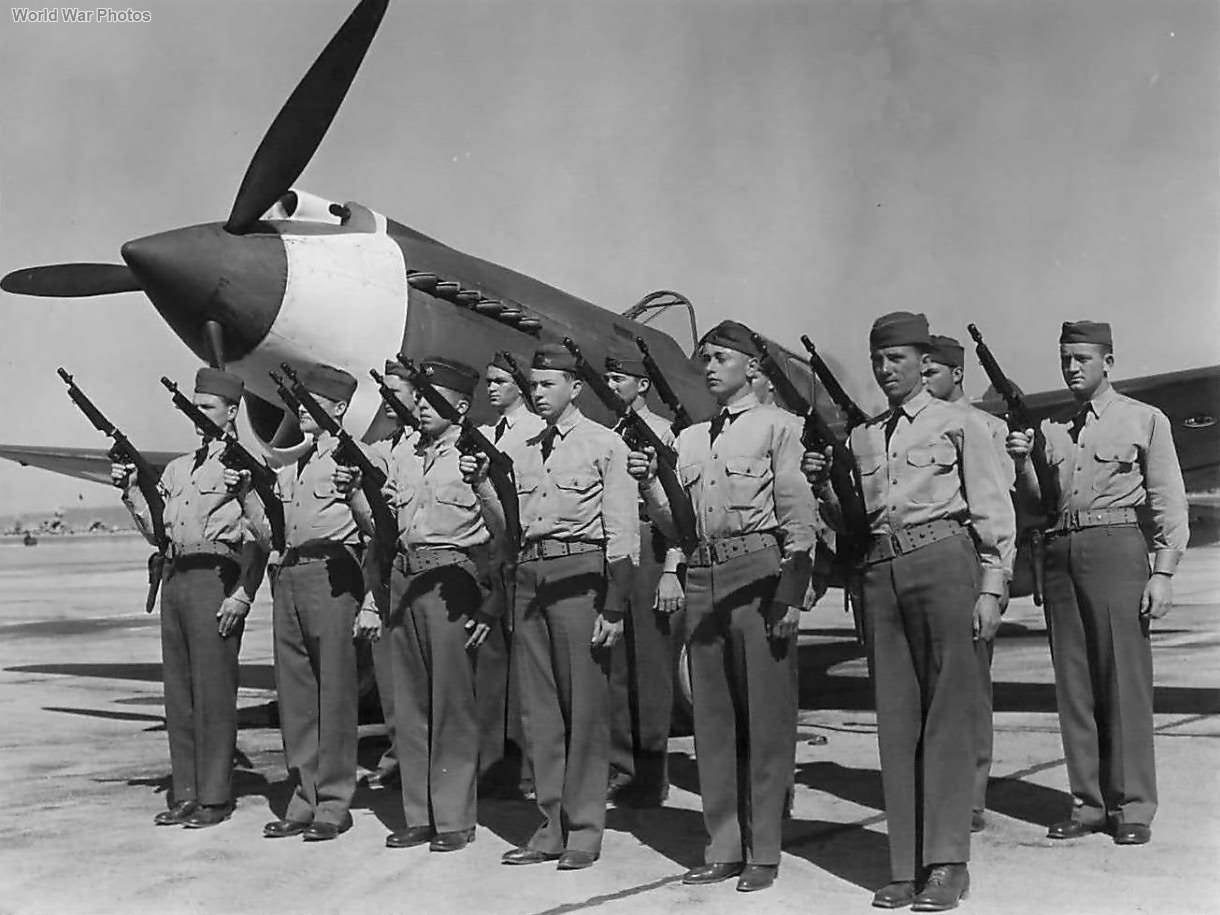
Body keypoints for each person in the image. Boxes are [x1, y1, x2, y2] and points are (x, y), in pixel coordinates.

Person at [803, 312, 1014, 910]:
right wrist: (823, 485)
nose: (884, 369)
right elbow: (851, 522)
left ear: (925, 363)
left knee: (947, 717)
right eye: (878, 359)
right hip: (879, 575)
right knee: (896, 721)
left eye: (895, 359)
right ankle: (905, 864)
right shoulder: (863, 438)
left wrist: (993, 586)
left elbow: (994, 509)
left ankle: (947, 864)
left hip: (944, 563)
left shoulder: (961, 425)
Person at [628, 320, 817, 893]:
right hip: (704, 574)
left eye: (718, 358)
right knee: (712, 718)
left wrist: (790, 591)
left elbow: (800, 521)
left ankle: (765, 848)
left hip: (759, 572)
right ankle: (724, 843)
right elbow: (676, 528)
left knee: (765, 714)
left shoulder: (782, 429)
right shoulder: (689, 441)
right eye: (703, 359)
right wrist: (649, 486)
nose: (707, 367)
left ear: (752, 367)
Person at [1006, 321, 1187, 846]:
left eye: (1083, 357)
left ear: (1108, 361)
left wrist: (1163, 573)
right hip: (1061, 551)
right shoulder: (1054, 429)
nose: (1072, 367)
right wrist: (1022, 461)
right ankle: (1087, 804)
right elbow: (1037, 503)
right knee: (1075, 685)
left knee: (1124, 683)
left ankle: (1132, 807)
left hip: (1117, 548)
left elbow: (1167, 500)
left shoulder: (1144, 419)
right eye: (1065, 358)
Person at [489, 342, 638, 871]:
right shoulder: (522, 448)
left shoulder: (604, 445)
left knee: (585, 710)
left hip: (581, 578)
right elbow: (507, 524)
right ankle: (550, 824)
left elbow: (621, 530)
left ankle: (585, 830)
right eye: (533, 384)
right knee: (540, 712)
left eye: (548, 384)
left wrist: (616, 606)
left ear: (575, 388)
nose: (538, 392)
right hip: (530, 577)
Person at [113, 368, 267, 829]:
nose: (198, 416)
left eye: (207, 408)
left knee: (214, 691)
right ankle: (186, 791)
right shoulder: (180, 469)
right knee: (179, 693)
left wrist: (244, 593)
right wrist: (132, 492)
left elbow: (262, 538)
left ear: (232, 411)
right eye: (194, 407)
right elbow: (157, 534)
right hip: (176, 579)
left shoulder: (244, 467)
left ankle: (215, 796)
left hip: (214, 579)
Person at [241, 364, 384, 842]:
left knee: (335, 693)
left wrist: (369, 597)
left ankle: (334, 802)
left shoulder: (356, 460)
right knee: (297, 696)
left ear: (340, 408)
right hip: (290, 576)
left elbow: (376, 531)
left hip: (334, 574)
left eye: (313, 400)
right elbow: (271, 533)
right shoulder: (291, 465)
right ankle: (303, 798)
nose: (301, 409)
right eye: (299, 402)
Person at [382, 357, 500, 853]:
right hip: (403, 577)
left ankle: (453, 818)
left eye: (435, 400)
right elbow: (381, 524)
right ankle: (418, 814)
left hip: (452, 578)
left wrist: (492, 601)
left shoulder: (476, 459)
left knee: (451, 703)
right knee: (407, 704)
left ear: (460, 406)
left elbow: (502, 533)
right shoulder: (405, 455)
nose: (423, 408)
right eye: (420, 397)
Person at [923, 333, 1015, 834]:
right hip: (930, 574)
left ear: (957, 373)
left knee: (970, 687)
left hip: (973, 570)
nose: (923, 379)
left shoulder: (985, 428)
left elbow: (998, 506)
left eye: (932, 371)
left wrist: (993, 584)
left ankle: (971, 794)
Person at [603, 352, 680, 807]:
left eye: (618, 379)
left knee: (651, 672)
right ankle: (620, 766)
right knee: (616, 669)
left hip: (651, 548)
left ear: (642, 385)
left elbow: (677, 509)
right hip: (619, 551)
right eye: (608, 378)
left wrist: (672, 568)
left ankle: (651, 774)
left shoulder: (664, 433)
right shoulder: (612, 435)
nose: (611, 386)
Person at [475, 352, 545, 798]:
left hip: (523, 555)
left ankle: (529, 771)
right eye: (489, 381)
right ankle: (494, 768)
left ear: (520, 385)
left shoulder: (536, 433)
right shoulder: (484, 434)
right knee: (493, 667)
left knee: (528, 675)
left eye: (501, 380)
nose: (492, 388)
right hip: (494, 556)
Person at [362, 360, 420, 792]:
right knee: (391, 677)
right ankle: (401, 755)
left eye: (394, 391)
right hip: (386, 572)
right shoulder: (388, 446)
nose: (387, 400)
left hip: (422, 570)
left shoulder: (426, 449)